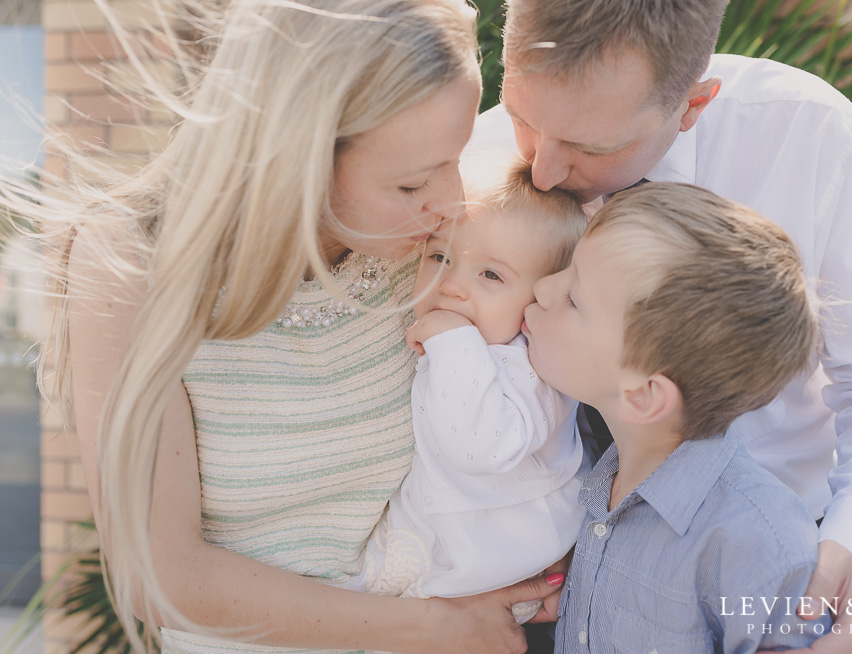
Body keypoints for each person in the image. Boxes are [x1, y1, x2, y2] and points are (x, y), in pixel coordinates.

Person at [14, 1, 565, 652]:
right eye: (413, 183)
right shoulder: (130, 267)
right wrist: (433, 629)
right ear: (297, 158)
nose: (451, 202)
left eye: (457, 156)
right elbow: (156, 571)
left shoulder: (432, 247)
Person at [469, 1, 852, 650]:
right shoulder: (474, 160)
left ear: (692, 106)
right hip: (531, 588)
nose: (540, 170)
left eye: (592, 147)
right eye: (521, 117)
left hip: (767, 570)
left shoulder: (807, 135)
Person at [524, 182, 834, 652]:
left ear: (645, 395)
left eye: (574, 299)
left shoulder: (757, 543)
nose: (544, 288)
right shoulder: (596, 477)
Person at [345, 158, 589, 622]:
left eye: (491, 276)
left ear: (540, 300)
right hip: (446, 548)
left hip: (487, 563)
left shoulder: (531, 367)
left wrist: (449, 338)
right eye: (439, 257)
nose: (450, 285)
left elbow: (478, 447)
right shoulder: (480, 339)